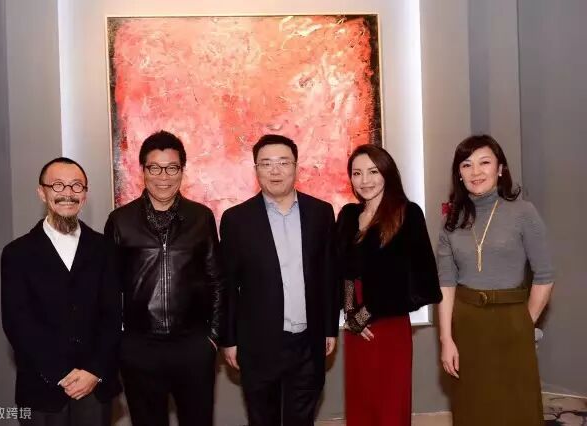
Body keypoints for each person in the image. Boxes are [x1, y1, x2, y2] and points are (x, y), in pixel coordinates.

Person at [104, 130, 223, 426]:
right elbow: (107, 288)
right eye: (155, 168)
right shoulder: (120, 221)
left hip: (193, 346)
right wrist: (121, 342)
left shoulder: (201, 217)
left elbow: (216, 280)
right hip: (139, 348)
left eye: (172, 168)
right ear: (142, 170)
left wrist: (212, 338)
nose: (163, 177)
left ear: (182, 170)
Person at [219, 134, 339, 426]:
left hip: (308, 340)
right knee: (263, 418)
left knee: (302, 419)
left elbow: (329, 275)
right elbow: (227, 286)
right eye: (266, 163)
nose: (275, 171)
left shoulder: (321, 213)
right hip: (258, 342)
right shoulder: (236, 219)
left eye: (284, 162)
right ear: (256, 169)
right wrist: (229, 339)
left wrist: (329, 328)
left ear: (296, 167)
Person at [437, 135, 554, 426]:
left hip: (512, 320)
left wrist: (525, 322)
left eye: (484, 162)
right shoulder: (452, 220)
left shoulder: (523, 213)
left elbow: (544, 276)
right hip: (467, 324)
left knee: (516, 406)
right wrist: (446, 339)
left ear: (500, 169)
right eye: (466, 165)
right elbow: (446, 284)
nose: (475, 172)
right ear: (459, 174)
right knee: (472, 406)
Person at [1, 157, 122, 426]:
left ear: (85, 195)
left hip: (95, 387)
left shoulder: (105, 249)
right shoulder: (17, 253)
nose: (68, 193)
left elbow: (113, 316)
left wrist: (93, 371)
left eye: (76, 186)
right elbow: (17, 322)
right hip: (41, 387)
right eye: (57, 185)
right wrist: (60, 374)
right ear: (41, 192)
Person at [336, 144, 442, 426]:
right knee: (361, 402)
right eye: (357, 173)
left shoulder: (407, 213)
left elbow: (425, 280)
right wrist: (351, 313)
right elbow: (344, 271)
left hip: (390, 325)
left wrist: (367, 313)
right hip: (355, 326)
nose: (365, 180)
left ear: (387, 173)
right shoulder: (348, 215)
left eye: (373, 171)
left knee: (389, 404)